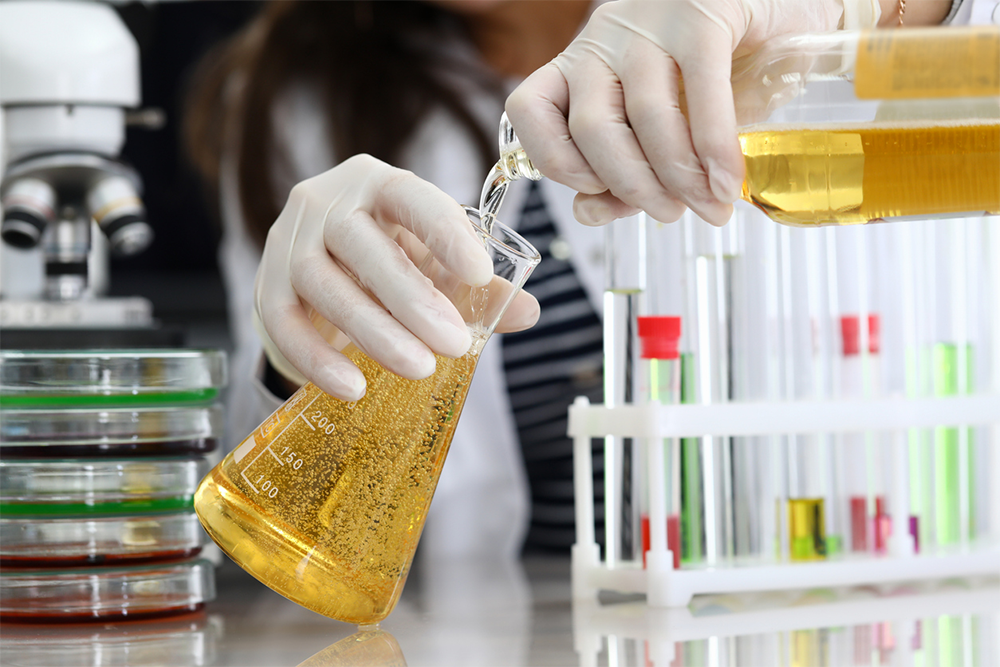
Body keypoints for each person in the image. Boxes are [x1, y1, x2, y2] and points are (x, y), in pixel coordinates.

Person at [185, 0, 965, 559]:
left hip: (869, 592)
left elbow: (971, 88)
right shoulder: (305, 94)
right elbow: (254, 519)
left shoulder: (751, 22)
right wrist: (301, 368)